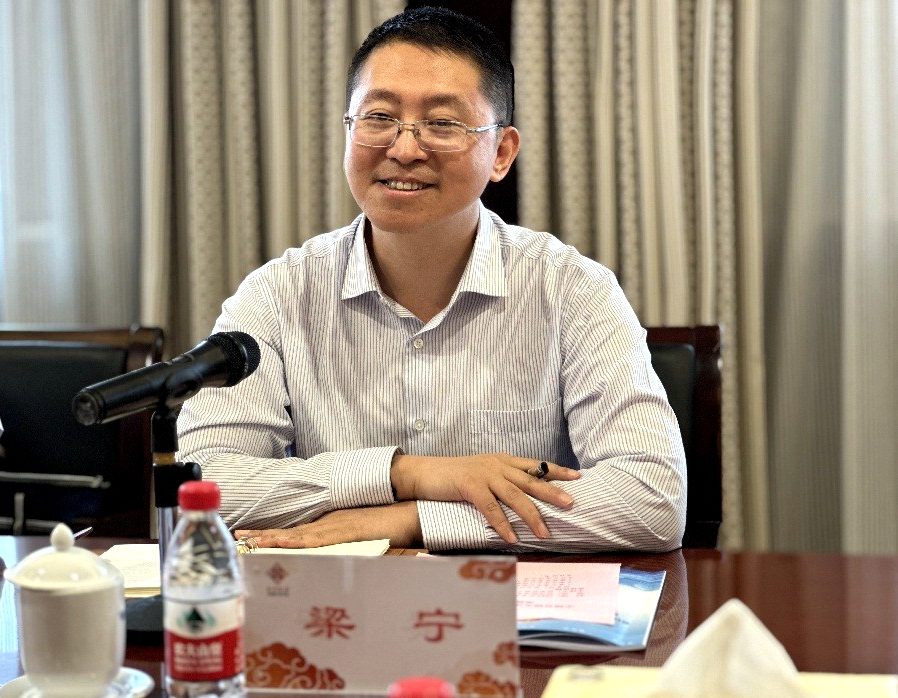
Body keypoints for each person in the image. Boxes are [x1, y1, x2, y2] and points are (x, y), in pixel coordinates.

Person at [177, 6, 686, 553]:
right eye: (379, 117)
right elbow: (202, 484)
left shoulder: (571, 289)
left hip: (509, 602)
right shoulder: (277, 295)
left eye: (442, 124)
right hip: (336, 599)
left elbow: (651, 499)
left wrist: (412, 519)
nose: (403, 149)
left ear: (502, 153)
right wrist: (407, 474)